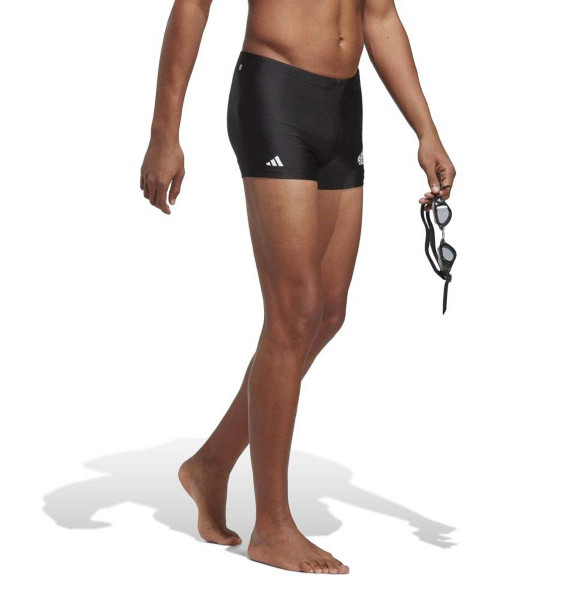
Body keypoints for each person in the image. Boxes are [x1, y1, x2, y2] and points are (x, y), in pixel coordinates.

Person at [140, 0, 456, 574]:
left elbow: (380, 16)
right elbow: (192, 5)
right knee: (294, 312)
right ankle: (272, 527)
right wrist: (165, 132)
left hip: (343, 104)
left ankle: (211, 465)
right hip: (275, 94)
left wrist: (426, 131)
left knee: (327, 313)